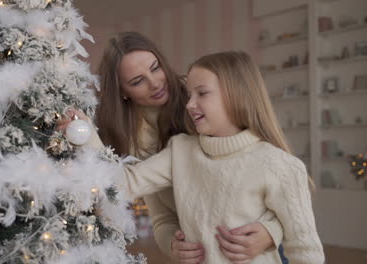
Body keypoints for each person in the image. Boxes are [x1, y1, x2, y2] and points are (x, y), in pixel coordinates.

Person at [59, 32, 284, 263]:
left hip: (260, 249)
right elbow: (159, 215)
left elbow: (282, 177)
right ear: (123, 93)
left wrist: (271, 232)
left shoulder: (205, 97)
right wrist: (171, 243)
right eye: (138, 81)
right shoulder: (138, 143)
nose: (155, 83)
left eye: (155, 68)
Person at [118, 51, 325, 263]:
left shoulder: (279, 165)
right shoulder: (179, 151)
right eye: (189, 95)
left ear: (237, 95)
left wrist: (271, 231)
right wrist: (83, 132)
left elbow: (306, 253)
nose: (189, 104)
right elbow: (124, 183)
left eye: (202, 93)